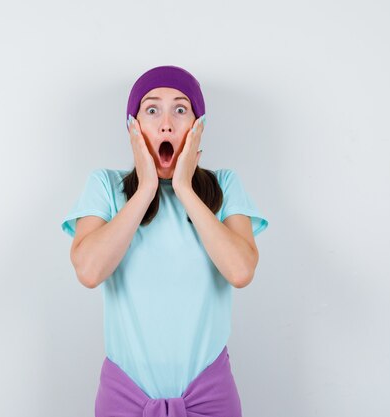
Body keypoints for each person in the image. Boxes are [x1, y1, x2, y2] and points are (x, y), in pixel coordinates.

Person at [60, 65, 269, 417]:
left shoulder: (226, 185)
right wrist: (145, 189)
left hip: (210, 398)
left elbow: (241, 271)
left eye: (181, 109)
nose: (166, 124)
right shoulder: (105, 187)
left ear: (198, 127)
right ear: (134, 126)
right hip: (124, 397)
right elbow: (89, 271)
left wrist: (185, 188)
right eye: (152, 109)